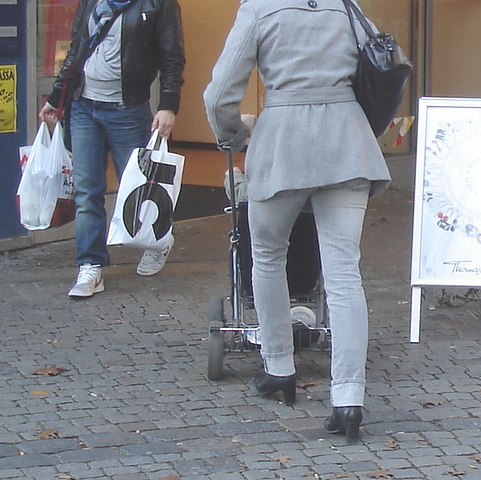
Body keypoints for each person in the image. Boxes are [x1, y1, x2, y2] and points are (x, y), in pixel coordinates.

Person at [203, 0, 391, 444]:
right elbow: (380, 62)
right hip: (347, 141)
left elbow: (219, 93)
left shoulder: (260, 10)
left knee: (266, 255)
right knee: (345, 272)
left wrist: (231, 134)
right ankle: (348, 399)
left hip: (282, 143)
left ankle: (278, 368)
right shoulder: (345, 6)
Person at [39, 0, 185, 298]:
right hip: (83, 107)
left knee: (138, 190)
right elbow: (77, 50)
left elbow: (172, 57)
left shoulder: (159, 3)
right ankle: (90, 265)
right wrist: (56, 98)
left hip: (127, 109)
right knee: (86, 190)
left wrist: (168, 105)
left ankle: (158, 240)